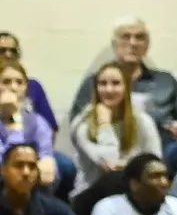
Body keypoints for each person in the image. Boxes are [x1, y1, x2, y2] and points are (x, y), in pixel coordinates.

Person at [69, 18, 177, 167]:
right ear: (114, 45)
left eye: (139, 37)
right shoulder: (95, 82)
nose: (133, 43)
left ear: (146, 46)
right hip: (113, 151)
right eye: (125, 37)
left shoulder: (165, 81)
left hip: (164, 150)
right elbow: (78, 127)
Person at [70, 63, 162, 196]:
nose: (109, 89)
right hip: (90, 194)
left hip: (134, 193)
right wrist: (104, 123)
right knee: (115, 178)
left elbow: (155, 161)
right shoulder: (83, 124)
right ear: (96, 88)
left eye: (116, 83)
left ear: (126, 87)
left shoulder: (142, 121)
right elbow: (110, 158)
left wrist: (127, 167)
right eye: (102, 83)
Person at [0, 59, 58, 190]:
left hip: (30, 188)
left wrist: (46, 163)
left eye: (19, 83)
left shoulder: (36, 121)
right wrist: (8, 116)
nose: (14, 88)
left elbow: (46, 153)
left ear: (26, 88)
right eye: (6, 82)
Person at [0, 32, 58, 132]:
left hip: (31, 143)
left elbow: (50, 128)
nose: (8, 55)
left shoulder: (33, 86)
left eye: (13, 51)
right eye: (2, 50)